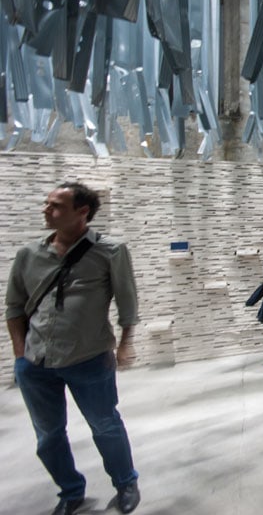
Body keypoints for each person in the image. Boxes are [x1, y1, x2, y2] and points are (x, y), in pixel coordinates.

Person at [4, 182, 141, 515]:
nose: (46, 210)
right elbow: (14, 306)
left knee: (105, 425)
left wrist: (125, 343)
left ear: (83, 212)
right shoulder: (29, 254)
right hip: (36, 363)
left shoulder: (110, 250)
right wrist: (21, 355)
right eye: (47, 203)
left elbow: (127, 301)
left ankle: (125, 482)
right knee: (48, 436)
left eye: (56, 206)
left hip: (89, 357)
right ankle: (70, 490)